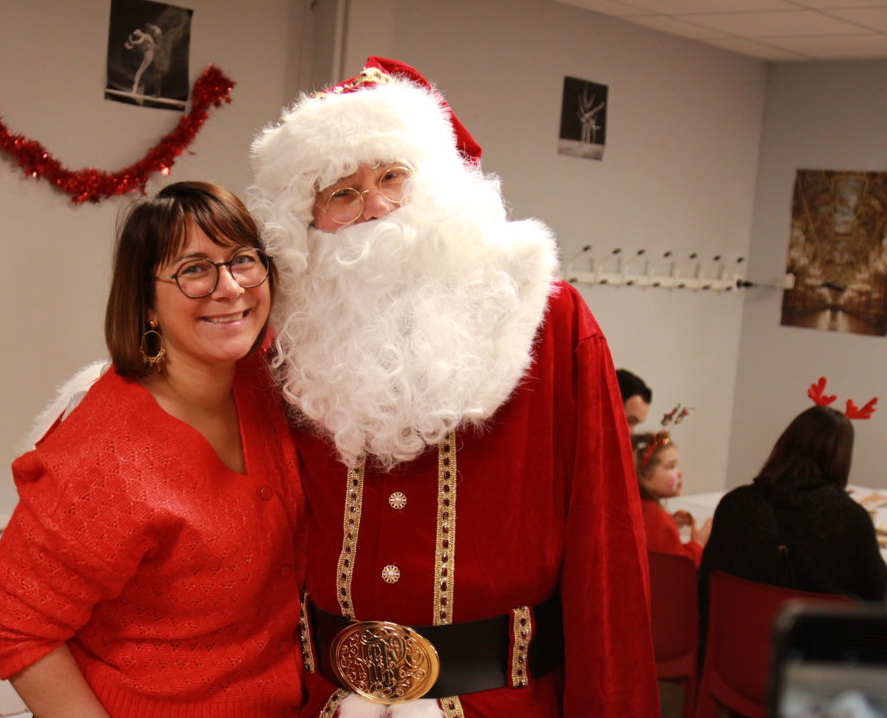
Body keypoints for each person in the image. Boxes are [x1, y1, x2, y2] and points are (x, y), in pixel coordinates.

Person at [248, 57, 657, 717]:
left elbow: (604, 544)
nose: (376, 208)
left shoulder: (545, 319)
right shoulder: (286, 339)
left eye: (393, 177)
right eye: (342, 193)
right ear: (307, 220)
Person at [0, 182, 304, 717]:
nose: (229, 288)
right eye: (194, 269)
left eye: (243, 259)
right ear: (147, 301)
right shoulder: (109, 454)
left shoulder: (264, 381)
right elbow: (13, 618)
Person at [699, 405, 887, 612]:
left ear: (785, 445)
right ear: (842, 458)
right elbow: (878, 595)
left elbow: (706, 585)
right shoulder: (850, 520)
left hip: (734, 630)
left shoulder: (734, 504)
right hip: (812, 633)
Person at [633, 431, 711, 565]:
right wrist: (698, 543)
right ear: (644, 475)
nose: (680, 473)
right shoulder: (658, 519)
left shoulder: (638, 507)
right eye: (671, 466)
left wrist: (671, 525)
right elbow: (680, 566)